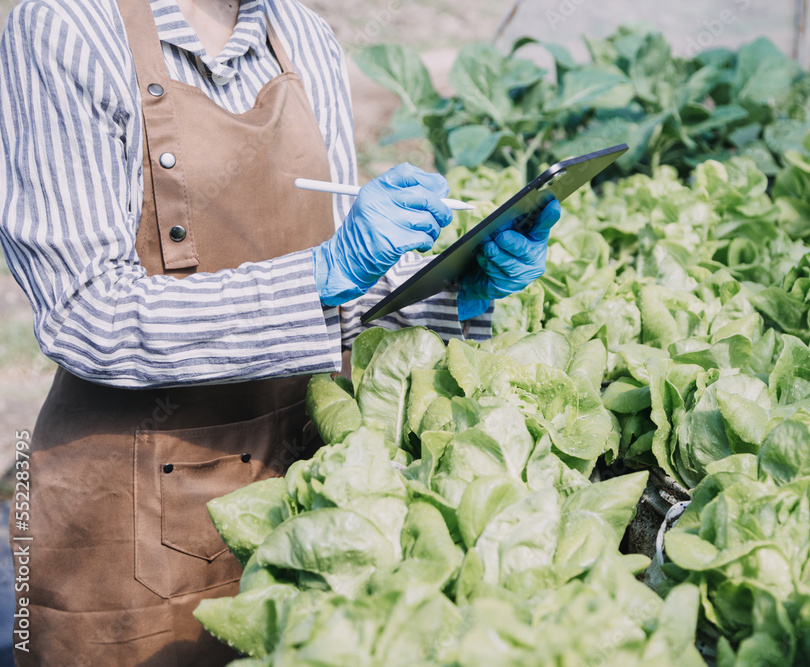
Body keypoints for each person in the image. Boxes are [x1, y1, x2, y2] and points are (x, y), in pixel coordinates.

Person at [0, 0, 560, 664]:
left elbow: (331, 292)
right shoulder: (68, 27)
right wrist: (327, 269)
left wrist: (457, 283)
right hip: (133, 528)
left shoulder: (301, 35)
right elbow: (88, 314)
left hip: (305, 504)